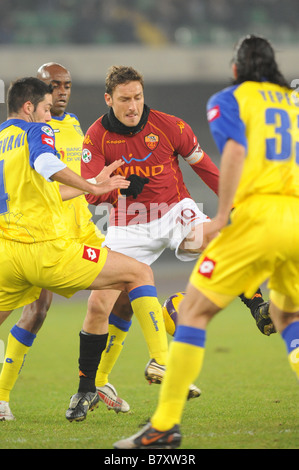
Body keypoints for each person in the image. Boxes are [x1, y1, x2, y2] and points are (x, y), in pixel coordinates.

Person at [113, 34, 299, 449]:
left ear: (236, 69)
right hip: (296, 219)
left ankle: (164, 427)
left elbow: (233, 151)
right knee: (289, 319)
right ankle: (262, 309)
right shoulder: (292, 103)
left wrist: (220, 215)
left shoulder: (229, 99)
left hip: (259, 217)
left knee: (190, 312)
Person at [80, 65, 272, 413]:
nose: (133, 106)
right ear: (109, 99)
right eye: (124, 99)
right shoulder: (95, 137)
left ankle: (258, 305)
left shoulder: (170, 126)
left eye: (138, 97)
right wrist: (116, 189)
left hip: (174, 211)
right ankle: (91, 385)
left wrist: (235, 203)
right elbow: (89, 193)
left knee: (217, 242)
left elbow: (205, 167)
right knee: (102, 306)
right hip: (129, 223)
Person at [0, 76, 168, 425]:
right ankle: (162, 360)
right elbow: (47, 165)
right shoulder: (35, 132)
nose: (49, 117)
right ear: (30, 107)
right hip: (46, 250)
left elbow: (45, 192)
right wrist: (94, 185)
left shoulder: (2, 137)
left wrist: (96, 185)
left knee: (33, 314)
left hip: (7, 255)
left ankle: (13, 397)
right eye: (46, 109)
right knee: (139, 273)